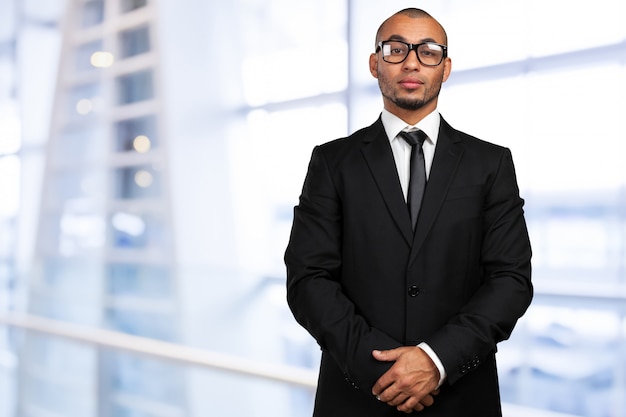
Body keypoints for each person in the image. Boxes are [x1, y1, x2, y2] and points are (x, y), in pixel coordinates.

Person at [284, 7, 532, 416]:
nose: (412, 61)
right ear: (374, 62)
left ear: (446, 67)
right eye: (396, 49)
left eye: (429, 51)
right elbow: (308, 277)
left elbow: (511, 279)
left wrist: (435, 360)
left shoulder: (490, 164)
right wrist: (382, 368)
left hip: (460, 397)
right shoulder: (332, 162)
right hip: (357, 395)